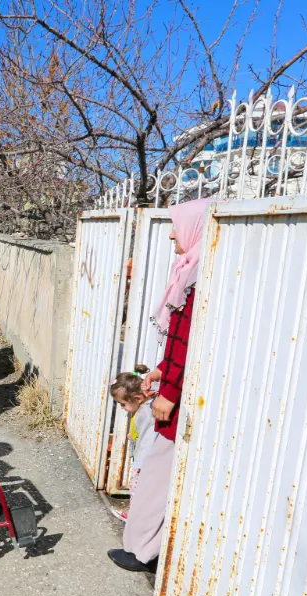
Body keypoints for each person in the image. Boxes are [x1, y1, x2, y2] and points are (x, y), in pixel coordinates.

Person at [107, 197, 213, 572]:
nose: (171, 235)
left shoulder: (198, 276)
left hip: (177, 397)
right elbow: (177, 344)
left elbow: (186, 341)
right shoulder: (191, 270)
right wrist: (159, 371)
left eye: (177, 226)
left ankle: (141, 552)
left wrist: (168, 391)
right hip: (174, 385)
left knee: (156, 474)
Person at [107, 365, 158, 521]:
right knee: (139, 488)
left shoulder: (147, 411)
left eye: (123, 404)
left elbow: (148, 436)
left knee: (138, 488)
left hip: (145, 460)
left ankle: (134, 515)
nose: (122, 408)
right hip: (143, 458)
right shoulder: (143, 408)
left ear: (137, 398)